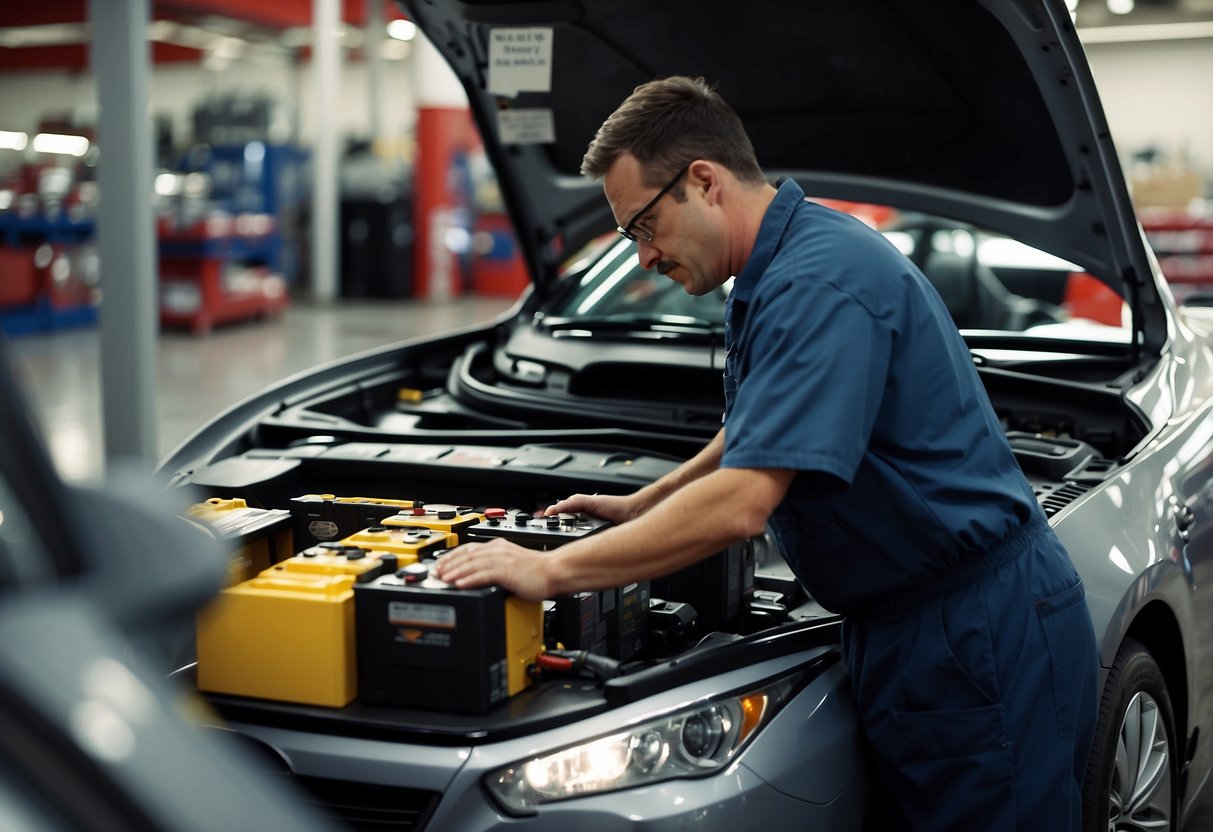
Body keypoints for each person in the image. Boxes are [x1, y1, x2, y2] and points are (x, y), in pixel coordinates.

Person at [434, 75, 1099, 831]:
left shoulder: (818, 281)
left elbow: (746, 500)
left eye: (641, 227)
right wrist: (639, 505)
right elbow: (759, 427)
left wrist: (547, 570)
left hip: (972, 631)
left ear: (703, 182)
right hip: (913, 625)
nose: (643, 257)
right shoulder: (780, 267)